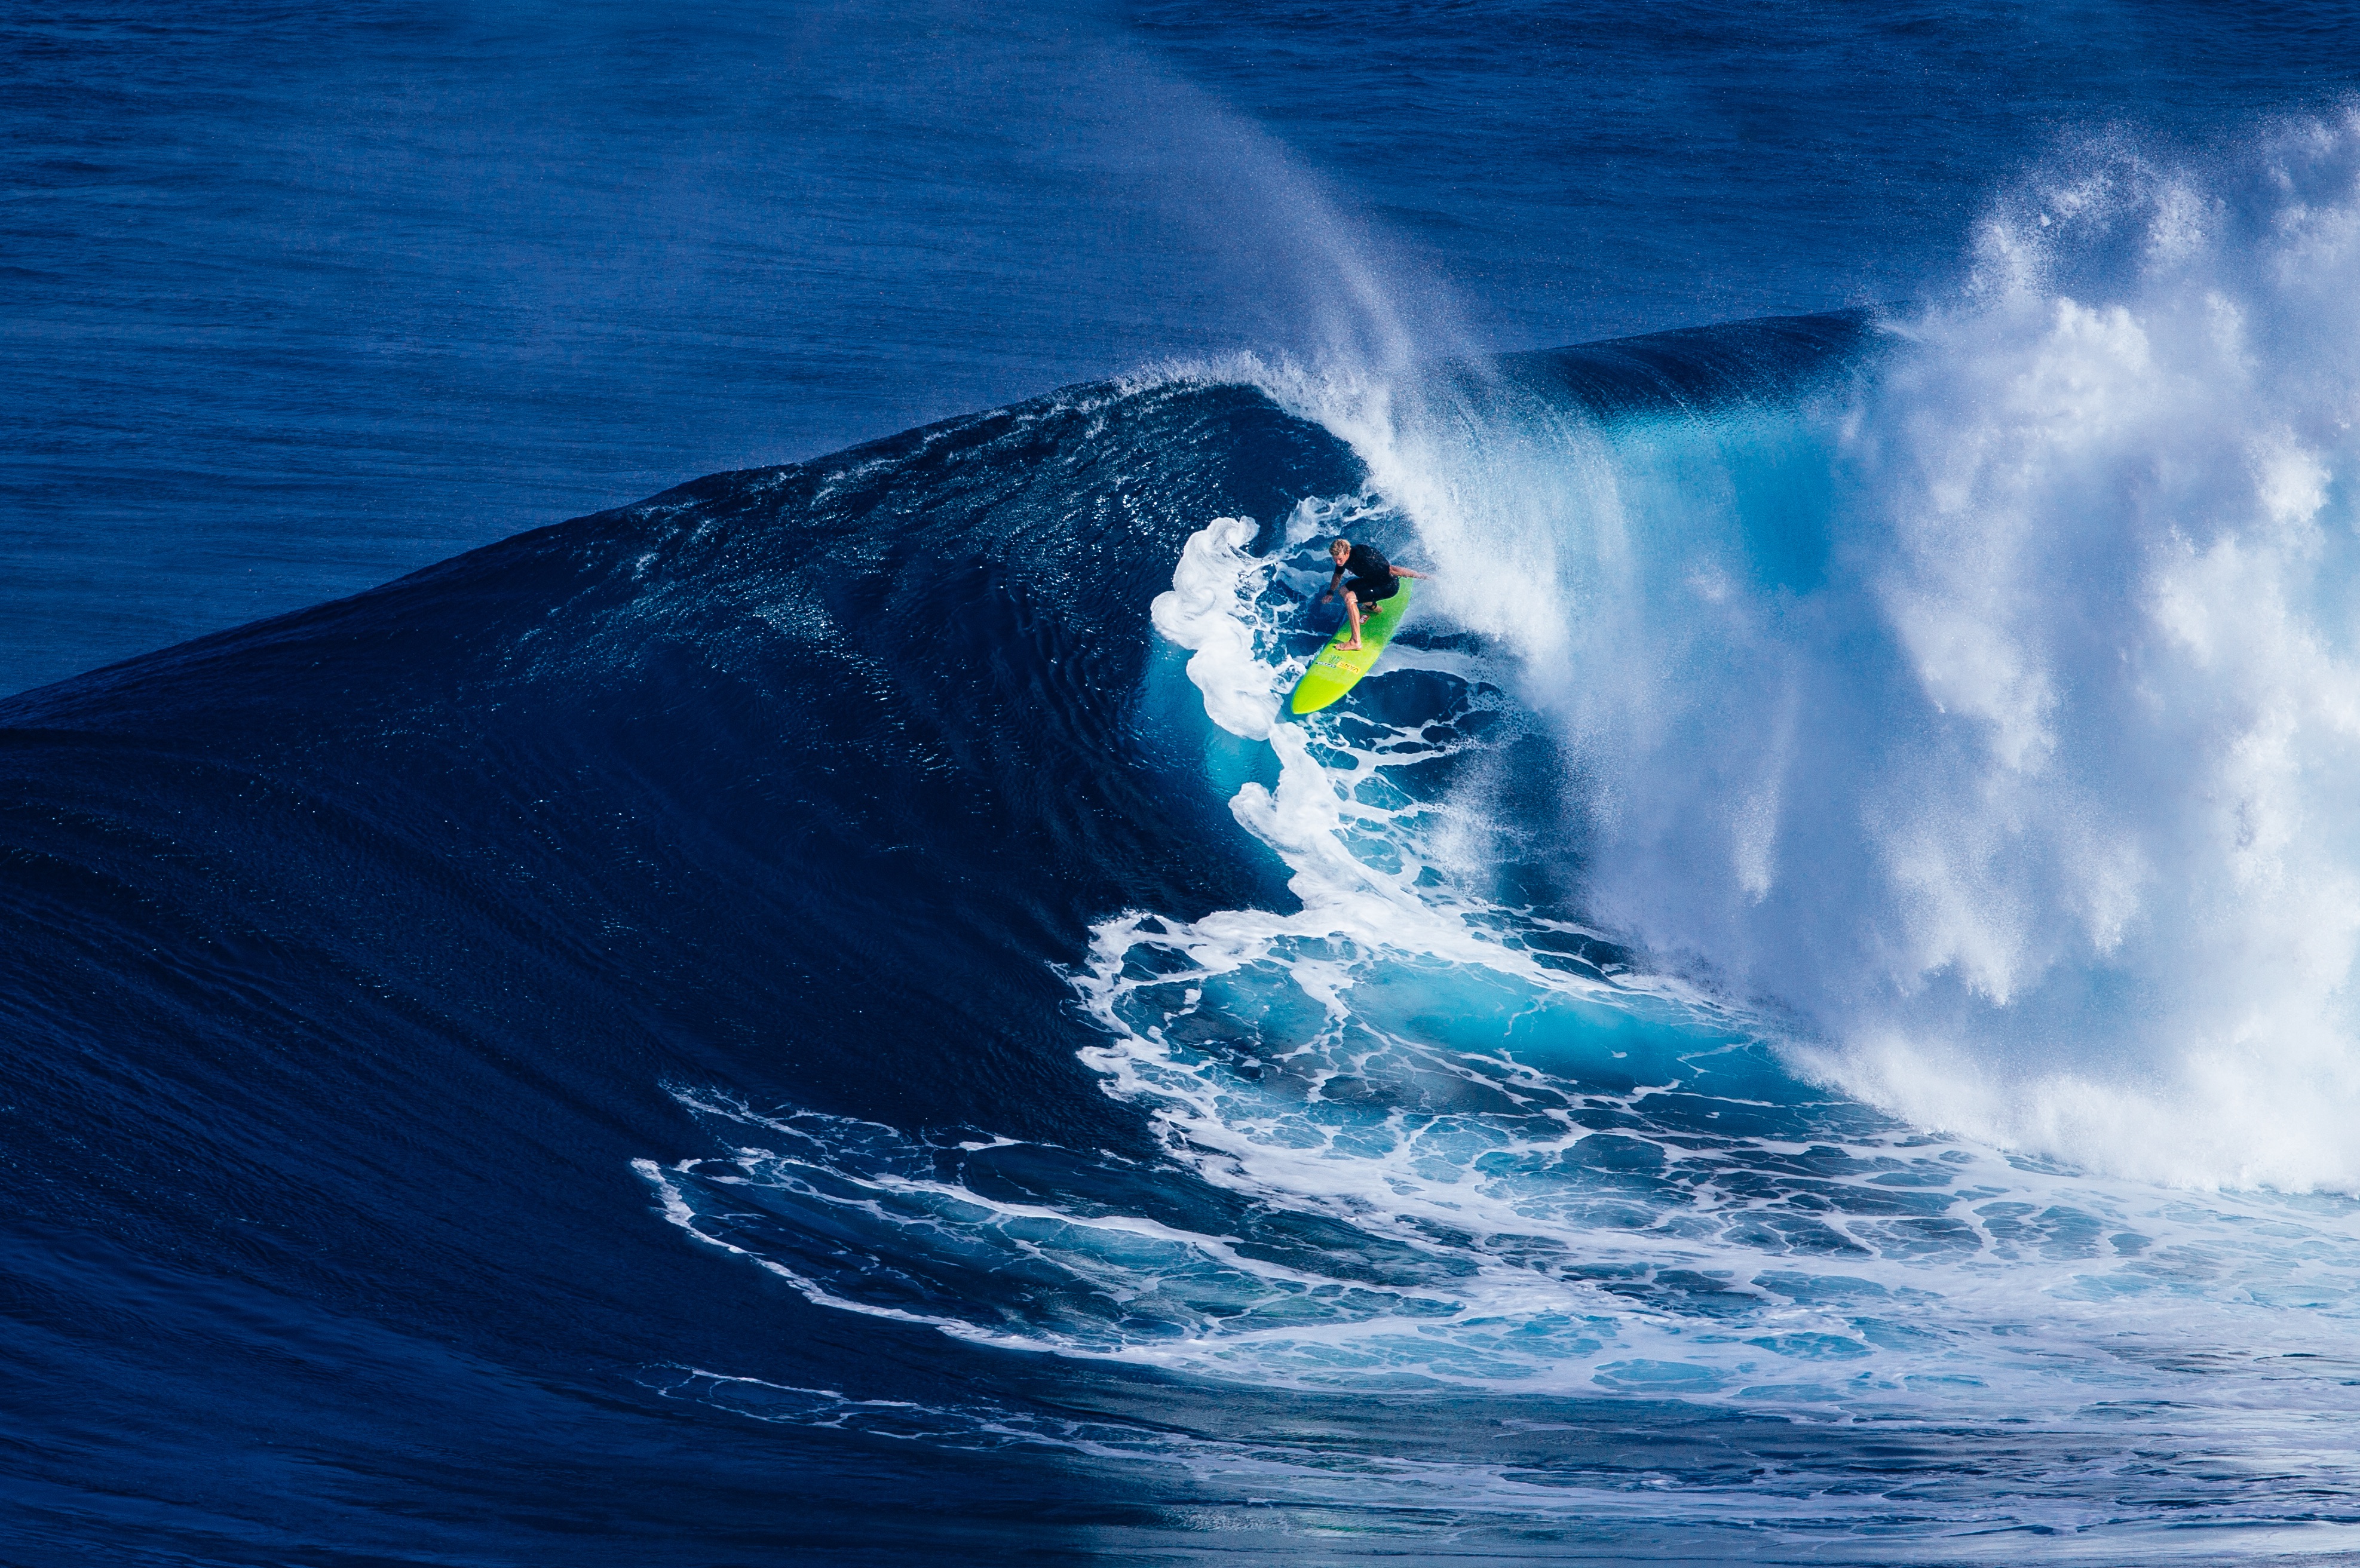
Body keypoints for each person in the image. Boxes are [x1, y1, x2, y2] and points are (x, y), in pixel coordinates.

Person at [1319, 536, 1428, 650]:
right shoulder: (1342, 558)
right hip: (1371, 581)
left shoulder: (1363, 557)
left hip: (1388, 586)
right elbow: (1338, 575)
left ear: (1347, 552)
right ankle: (1373, 607)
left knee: (1349, 598)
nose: (1337, 562)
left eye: (1340, 559)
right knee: (1343, 591)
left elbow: (1393, 569)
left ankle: (1355, 642)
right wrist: (1331, 593)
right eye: (1335, 559)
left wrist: (1421, 576)